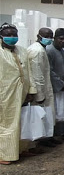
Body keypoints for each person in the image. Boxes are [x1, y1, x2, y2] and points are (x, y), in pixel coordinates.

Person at [0, 23, 37, 165]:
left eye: (14, 34)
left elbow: (29, 72)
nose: (11, 37)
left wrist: (31, 90)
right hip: (5, 94)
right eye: (8, 35)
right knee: (7, 123)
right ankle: (5, 154)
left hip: (21, 92)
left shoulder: (22, 50)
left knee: (22, 121)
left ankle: (21, 149)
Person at [27, 28, 57, 147]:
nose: (49, 39)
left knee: (45, 116)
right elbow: (37, 75)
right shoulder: (37, 51)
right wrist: (40, 95)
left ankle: (43, 140)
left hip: (44, 89)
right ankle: (34, 145)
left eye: (50, 36)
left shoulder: (41, 49)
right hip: (39, 92)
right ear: (39, 36)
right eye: (46, 36)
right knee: (37, 118)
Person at [46, 28, 64, 138]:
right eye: (61, 39)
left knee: (60, 113)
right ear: (55, 38)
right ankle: (49, 137)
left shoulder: (62, 51)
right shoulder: (49, 50)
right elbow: (50, 71)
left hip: (62, 86)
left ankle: (58, 134)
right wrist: (60, 84)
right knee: (53, 112)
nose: (63, 41)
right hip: (53, 87)